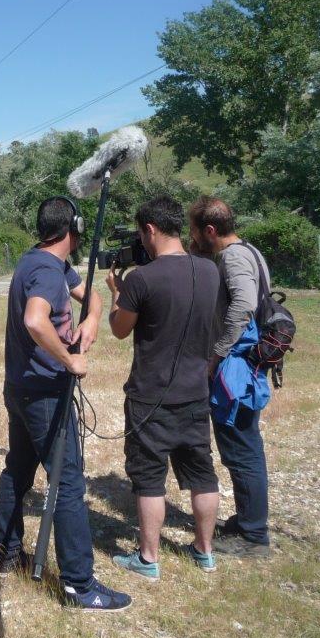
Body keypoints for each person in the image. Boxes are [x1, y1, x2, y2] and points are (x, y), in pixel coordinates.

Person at [0, 196, 131, 612]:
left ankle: (5, 550)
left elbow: (92, 297)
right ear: (75, 230)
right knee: (66, 483)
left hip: (21, 387)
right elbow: (35, 320)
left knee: (17, 469)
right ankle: (79, 585)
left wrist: (90, 320)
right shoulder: (49, 272)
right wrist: (69, 358)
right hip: (45, 393)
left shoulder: (40, 261)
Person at [105, 196, 221, 581]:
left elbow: (120, 329)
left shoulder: (142, 279)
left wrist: (116, 294)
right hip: (195, 392)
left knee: (149, 478)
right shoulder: (209, 271)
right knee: (203, 474)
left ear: (150, 230)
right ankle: (205, 551)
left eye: (141, 232)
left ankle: (148, 557)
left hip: (150, 396)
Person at [189, 196, 273, 557]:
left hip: (235, 366)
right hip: (239, 364)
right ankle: (247, 520)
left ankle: (253, 536)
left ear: (210, 230)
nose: (191, 237)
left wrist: (216, 353)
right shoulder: (245, 251)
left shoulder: (235, 257)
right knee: (242, 446)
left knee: (242, 449)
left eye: (194, 231)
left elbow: (244, 306)